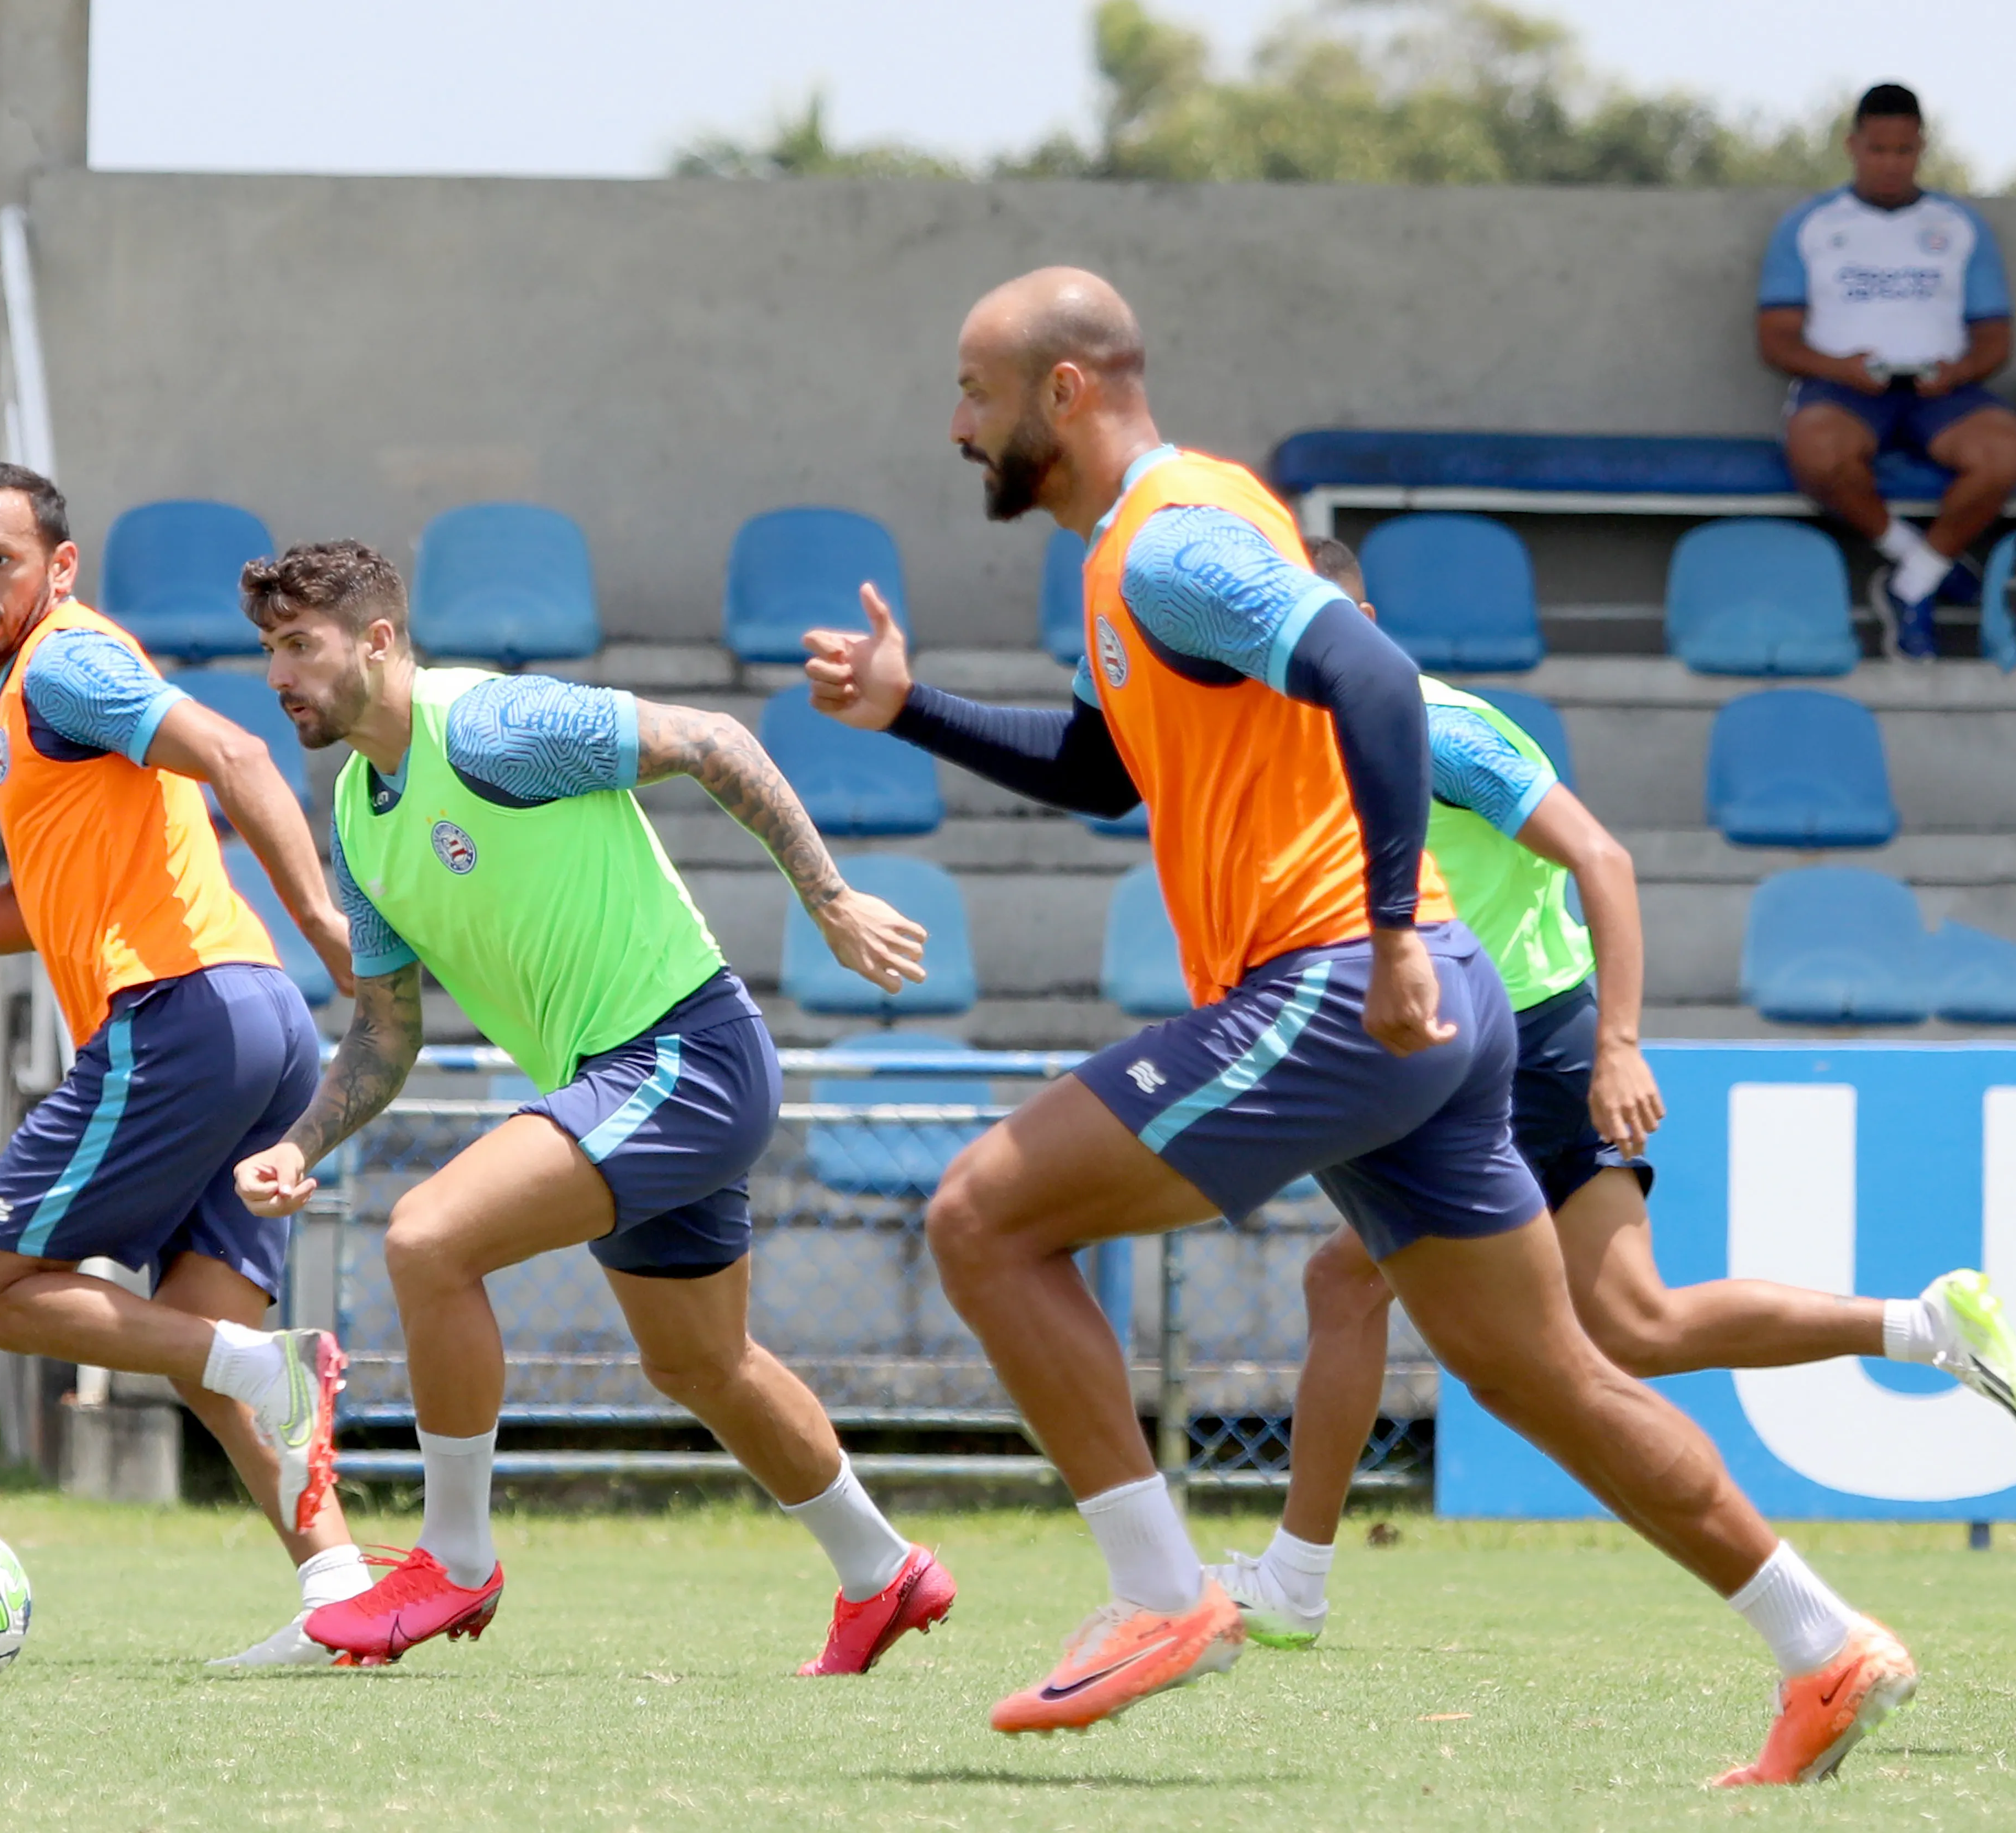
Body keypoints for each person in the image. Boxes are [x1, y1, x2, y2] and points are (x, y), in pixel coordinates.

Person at [802, 267, 1914, 1785]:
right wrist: (909, 707)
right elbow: (1099, 768)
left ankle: (1153, 1593)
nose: (957, 423)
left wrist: (1387, 927)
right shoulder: (1144, 550)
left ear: (1065, 392)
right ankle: (1824, 1643)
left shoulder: (1178, 541)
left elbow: (1375, 673)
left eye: (976, 392)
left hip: (1343, 981)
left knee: (983, 1214)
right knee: (1554, 1375)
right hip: (1427, 1004)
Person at [1207, 537, 2016, 1652]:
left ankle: (1296, 1581)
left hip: (1512, 1047)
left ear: (1359, 617)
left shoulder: (1433, 724)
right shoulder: (1312, 731)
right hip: (1510, 1039)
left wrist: (1620, 1044)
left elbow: (1602, 859)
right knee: (1634, 1324)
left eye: (1319, 622)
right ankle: (1925, 1323)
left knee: (1351, 1285)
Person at [229, 540, 955, 1675]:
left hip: (684, 1054)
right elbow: (384, 1029)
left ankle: (455, 1559)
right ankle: (883, 1570)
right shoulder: (360, 822)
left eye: (299, 645)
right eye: (268, 648)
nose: (278, 671)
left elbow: (713, 740)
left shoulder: (487, 727)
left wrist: (830, 900)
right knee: (701, 1364)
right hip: (626, 1081)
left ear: (376, 640)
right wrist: (300, 1139)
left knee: (426, 1238)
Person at [0, 458, 372, 1669]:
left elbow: (240, 754)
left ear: (57, 567)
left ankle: (272, 1366)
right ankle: (341, 1594)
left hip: (181, 1014)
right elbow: (31, 909)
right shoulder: (33, 699)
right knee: (198, 1346)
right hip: (256, 1017)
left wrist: (330, 925)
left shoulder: (66, 657)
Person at [1759, 82, 2016, 661]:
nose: (1890, 163)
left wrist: (1958, 370)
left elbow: (1994, 336)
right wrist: (1839, 367)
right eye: (1877, 150)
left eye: (1903, 151)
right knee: (1817, 452)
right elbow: (1774, 337)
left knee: (2007, 452)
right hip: (1845, 389)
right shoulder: (1809, 225)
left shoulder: (1958, 226)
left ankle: (1909, 583)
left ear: (1921, 148)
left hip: (1941, 392)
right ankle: (1922, 562)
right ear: (1852, 146)